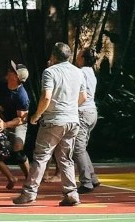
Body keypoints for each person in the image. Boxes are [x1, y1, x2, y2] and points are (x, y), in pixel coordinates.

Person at [13, 42, 86, 207]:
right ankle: (71, 194)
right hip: (72, 120)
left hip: (54, 120)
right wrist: (69, 107)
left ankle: (29, 193)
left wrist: (37, 115)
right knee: (65, 159)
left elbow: (46, 97)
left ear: (53, 56)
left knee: (41, 157)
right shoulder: (78, 72)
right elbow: (83, 97)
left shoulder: (50, 72)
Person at [0, 61, 31, 181]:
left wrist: (5, 125)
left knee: (18, 151)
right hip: (1, 118)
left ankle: (30, 179)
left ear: (16, 77)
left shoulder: (22, 96)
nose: (8, 71)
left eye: (12, 71)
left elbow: (21, 119)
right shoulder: (1, 83)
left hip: (16, 123)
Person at [74, 47, 100, 194]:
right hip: (92, 112)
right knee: (82, 148)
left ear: (83, 58)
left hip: (83, 112)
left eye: (78, 55)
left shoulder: (80, 72)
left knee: (78, 149)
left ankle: (86, 182)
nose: (77, 57)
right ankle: (92, 177)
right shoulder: (91, 73)